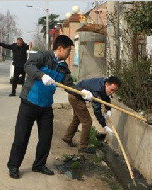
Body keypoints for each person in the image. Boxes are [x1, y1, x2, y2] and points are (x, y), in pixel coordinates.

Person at [7, 35, 93, 179]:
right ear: (60, 48)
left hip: (46, 106)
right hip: (29, 102)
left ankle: (39, 165)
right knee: (22, 137)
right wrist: (42, 76)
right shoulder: (43, 56)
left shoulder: (63, 67)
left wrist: (82, 93)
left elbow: (69, 85)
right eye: (68, 50)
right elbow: (28, 66)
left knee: (46, 138)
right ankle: (14, 166)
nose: (69, 53)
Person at [62, 76, 121, 154]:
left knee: (77, 118)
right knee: (87, 121)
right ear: (107, 84)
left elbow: (106, 97)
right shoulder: (97, 90)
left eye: (114, 91)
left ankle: (67, 137)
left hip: (76, 96)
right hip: (76, 97)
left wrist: (108, 109)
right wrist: (104, 125)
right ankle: (83, 147)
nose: (112, 92)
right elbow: (97, 110)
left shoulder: (104, 85)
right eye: (112, 90)